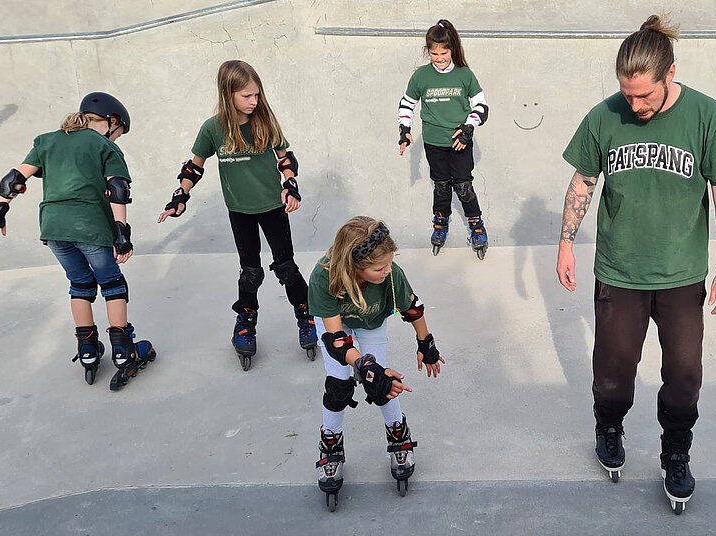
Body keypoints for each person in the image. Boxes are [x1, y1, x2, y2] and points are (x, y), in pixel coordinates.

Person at [556, 15, 716, 513]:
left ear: (669, 74)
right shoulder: (605, 116)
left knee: (685, 375)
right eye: (627, 95)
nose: (634, 105)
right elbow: (582, 183)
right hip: (619, 272)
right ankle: (610, 426)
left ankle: (676, 451)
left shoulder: (706, 115)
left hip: (682, 275)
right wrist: (564, 244)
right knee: (614, 373)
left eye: (644, 95)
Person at [158, 59, 317, 370]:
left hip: (273, 206)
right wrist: (181, 196)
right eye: (247, 96)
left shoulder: (265, 121)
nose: (254, 101)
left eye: (257, 95)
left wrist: (291, 186)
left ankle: (306, 315)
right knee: (251, 272)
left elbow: (286, 159)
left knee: (286, 267)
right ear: (227, 93)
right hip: (239, 211)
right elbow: (194, 166)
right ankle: (245, 324)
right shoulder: (213, 128)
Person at [0, 92, 156, 391]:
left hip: (53, 228)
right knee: (112, 283)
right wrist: (122, 233)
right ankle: (123, 352)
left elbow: (14, 178)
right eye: (118, 132)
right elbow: (117, 189)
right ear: (112, 122)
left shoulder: (47, 140)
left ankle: (88, 350)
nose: (117, 138)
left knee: (80, 283)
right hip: (89, 226)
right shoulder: (104, 145)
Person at [307, 216, 445, 510]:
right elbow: (336, 341)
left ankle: (398, 432)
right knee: (338, 384)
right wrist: (366, 368)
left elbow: (412, 308)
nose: (386, 271)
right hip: (337, 326)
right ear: (355, 266)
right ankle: (331, 443)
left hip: (372, 322)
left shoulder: (391, 274)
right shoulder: (324, 277)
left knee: (382, 386)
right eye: (378, 268)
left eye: (389, 264)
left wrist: (426, 342)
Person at [397, 19, 491, 259]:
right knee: (441, 186)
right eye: (434, 53)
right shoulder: (421, 76)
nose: (439, 58)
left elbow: (481, 105)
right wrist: (404, 129)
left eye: (444, 53)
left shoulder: (464, 74)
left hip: (460, 139)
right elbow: (407, 103)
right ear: (428, 51)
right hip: (434, 141)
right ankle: (441, 221)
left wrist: (469, 127)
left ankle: (476, 224)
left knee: (463, 185)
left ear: (453, 50)